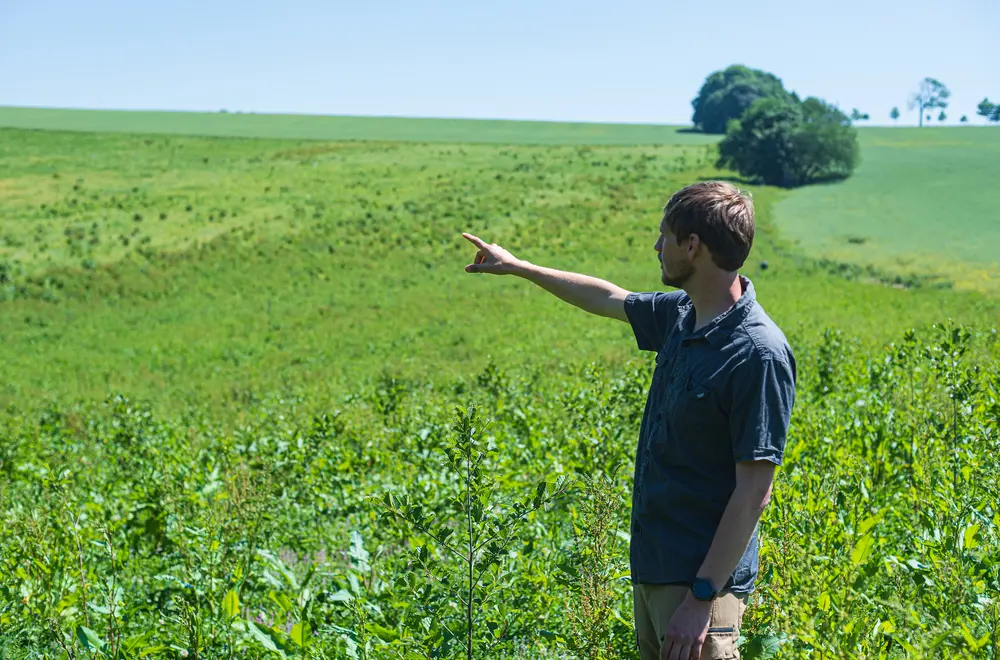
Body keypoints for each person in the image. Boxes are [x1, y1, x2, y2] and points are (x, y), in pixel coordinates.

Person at [461, 180, 796, 660]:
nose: (656, 247)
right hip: (656, 569)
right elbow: (607, 297)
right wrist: (518, 267)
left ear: (693, 246)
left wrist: (702, 599)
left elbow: (753, 492)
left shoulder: (757, 352)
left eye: (664, 236)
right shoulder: (682, 315)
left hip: (701, 590)